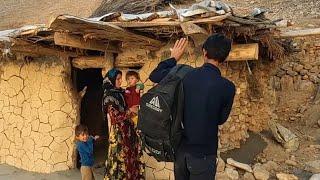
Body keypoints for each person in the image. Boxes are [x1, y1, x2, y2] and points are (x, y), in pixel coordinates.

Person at [149, 34, 236, 180]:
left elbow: (154, 75)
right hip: (204, 155)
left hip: (181, 152)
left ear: (204, 52)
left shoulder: (184, 75)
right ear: (225, 58)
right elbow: (220, 119)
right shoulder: (228, 87)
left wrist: (173, 58)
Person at [102, 68, 144, 180]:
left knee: (131, 160)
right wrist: (131, 111)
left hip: (129, 131)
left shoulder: (121, 93)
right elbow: (115, 117)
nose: (121, 81)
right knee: (120, 161)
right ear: (111, 80)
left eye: (121, 79)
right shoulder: (109, 97)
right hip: (119, 135)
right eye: (118, 79)